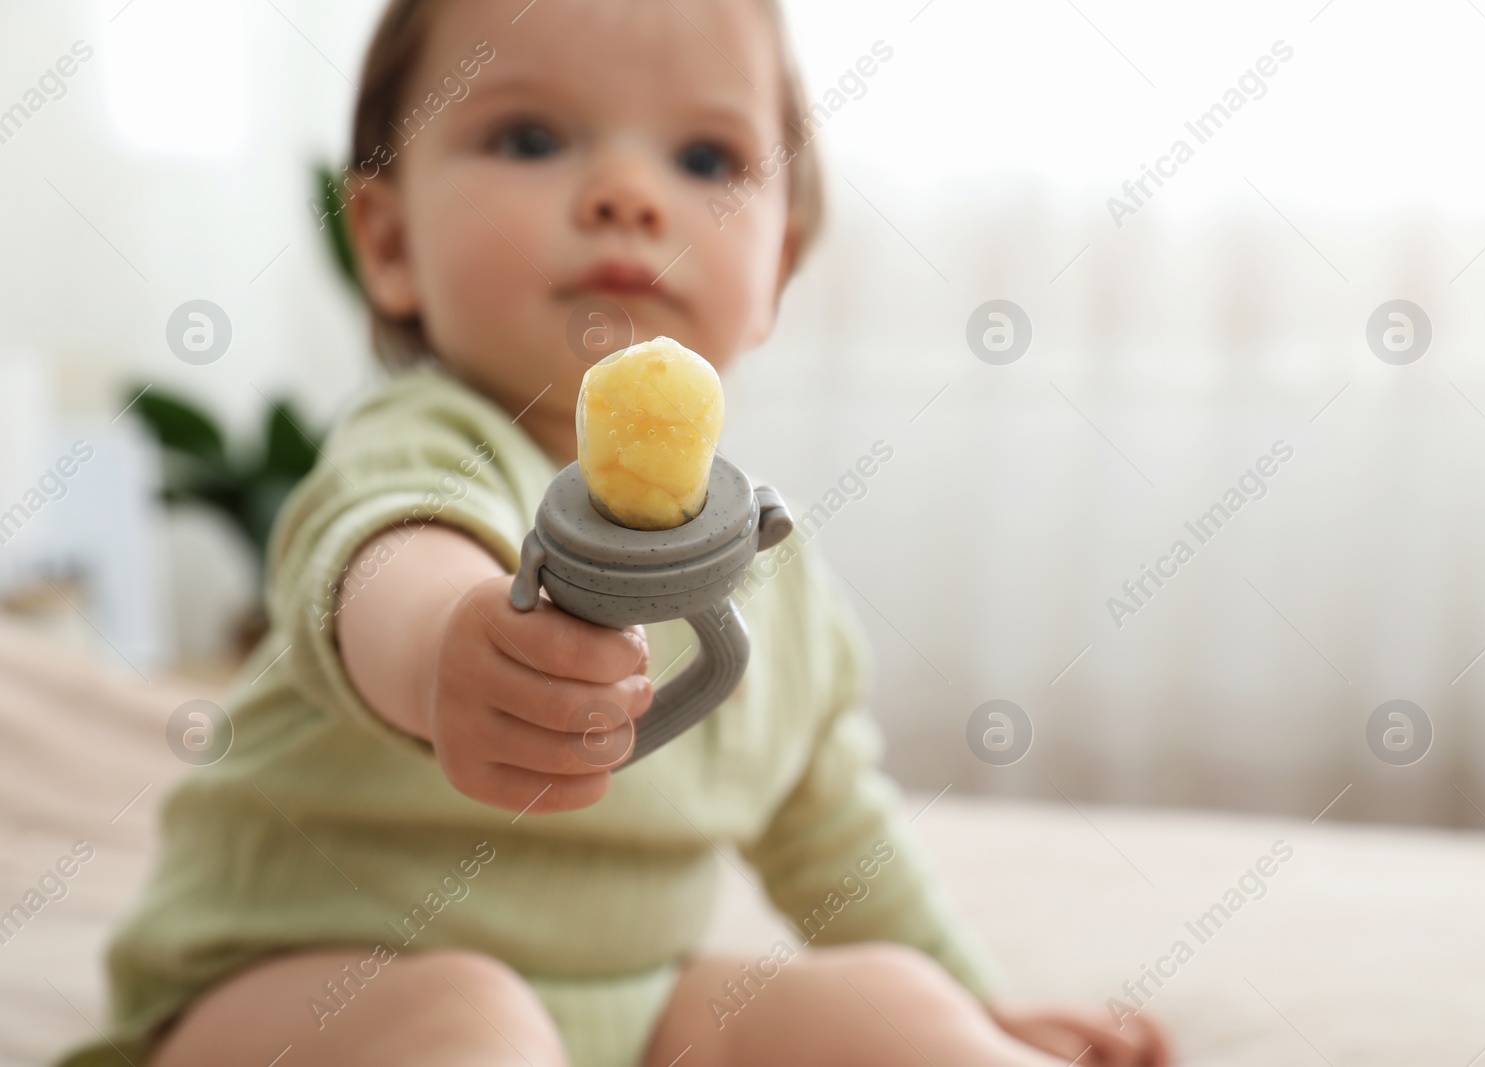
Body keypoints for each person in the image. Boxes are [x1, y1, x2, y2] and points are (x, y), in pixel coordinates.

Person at [65, 2, 1174, 1064]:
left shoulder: (773, 568)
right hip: (293, 991)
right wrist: (446, 643)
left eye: (704, 160)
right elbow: (381, 554)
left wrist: (978, 1001)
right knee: (466, 1014)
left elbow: (831, 831)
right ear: (389, 243)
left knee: (880, 1004)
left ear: (778, 271)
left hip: (627, 1012)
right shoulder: (428, 443)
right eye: (531, 135)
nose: (627, 194)